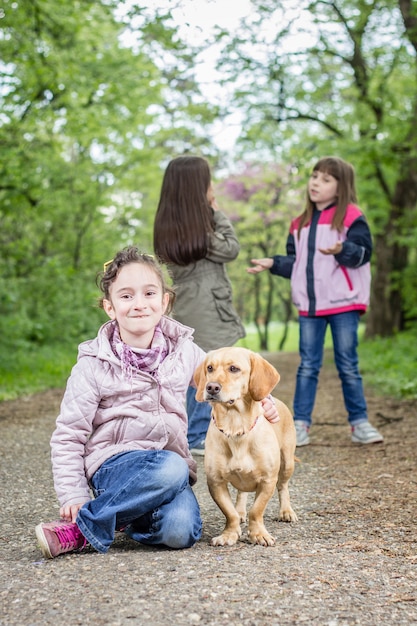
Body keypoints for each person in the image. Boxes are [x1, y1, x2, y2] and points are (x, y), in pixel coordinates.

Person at [35, 246, 278, 559]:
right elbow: (68, 435)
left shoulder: (186, 353)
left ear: (165, 302)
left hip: (167, 474)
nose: (139, 304)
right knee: (171, 465)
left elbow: (229, 372)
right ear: (109, 307)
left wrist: (265, 398)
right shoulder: (93, 365)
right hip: (115, 466)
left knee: (181, 531)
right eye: (126, 296)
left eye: (149, 293)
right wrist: (74, 493)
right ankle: (86, 527)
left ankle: (121, 513)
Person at [247, 156, 383, 447]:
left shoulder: (351, 216)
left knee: (348, 363)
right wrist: (273, 263)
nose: (316, 183)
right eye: (314, 176)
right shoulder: (299, 223)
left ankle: (359, 423)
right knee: (308, 365)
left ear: (341, 186)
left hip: (343, 303)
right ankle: (300, 425)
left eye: (326, 179)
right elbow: (296, 263)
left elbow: (363, 253)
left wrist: (342, 249)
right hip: (310, 306)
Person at [153, 155, 246, 455]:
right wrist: (216, 212)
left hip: (185, 303)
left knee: (193, 370)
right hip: (208, 306)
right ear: (197, 188)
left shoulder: (169, 225)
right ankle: (195, 436)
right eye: (208, 181)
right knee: (211, 371)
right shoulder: (203, 230)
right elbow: (231, 248)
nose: (213, 186)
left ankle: (184, 433)